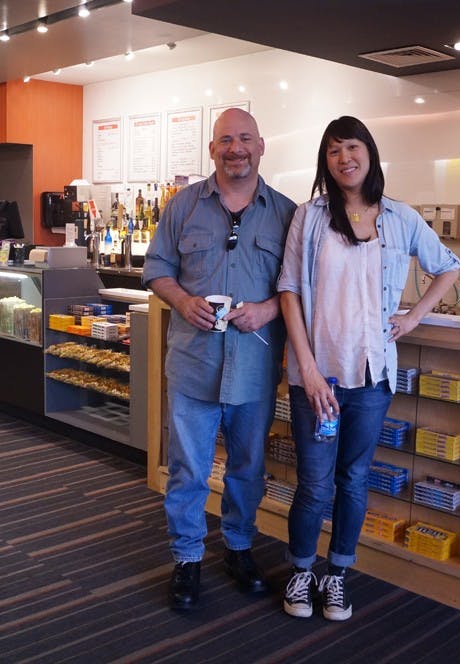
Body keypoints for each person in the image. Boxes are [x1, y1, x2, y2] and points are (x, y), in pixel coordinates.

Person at [276, 116, 460, 621]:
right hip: (318, 379)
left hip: (373, 378)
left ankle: (336, 576)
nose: (344, 159)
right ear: (325, 161)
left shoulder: (399, 218)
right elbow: (288, 290)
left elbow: (448, 265)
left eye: (352, 147)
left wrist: (414, 317)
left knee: (354, 481)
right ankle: (300, 572)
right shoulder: (309, 217)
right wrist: (307, 369)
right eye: (333, 151)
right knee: (314, 483)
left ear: (370, 153)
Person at [143, 108, 296, 610]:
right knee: (188, 469)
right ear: (212, 149)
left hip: (254, 368)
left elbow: (300, 288)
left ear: (261, 146)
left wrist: (270, 307)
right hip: (193, 364)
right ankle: (186, 559)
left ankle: (237, 548)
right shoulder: (183, 206)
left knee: (248, 469)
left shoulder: (287, 214)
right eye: (226, 140)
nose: (236, 148)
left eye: (245, 139)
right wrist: (182, 301)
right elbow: (157, 268)